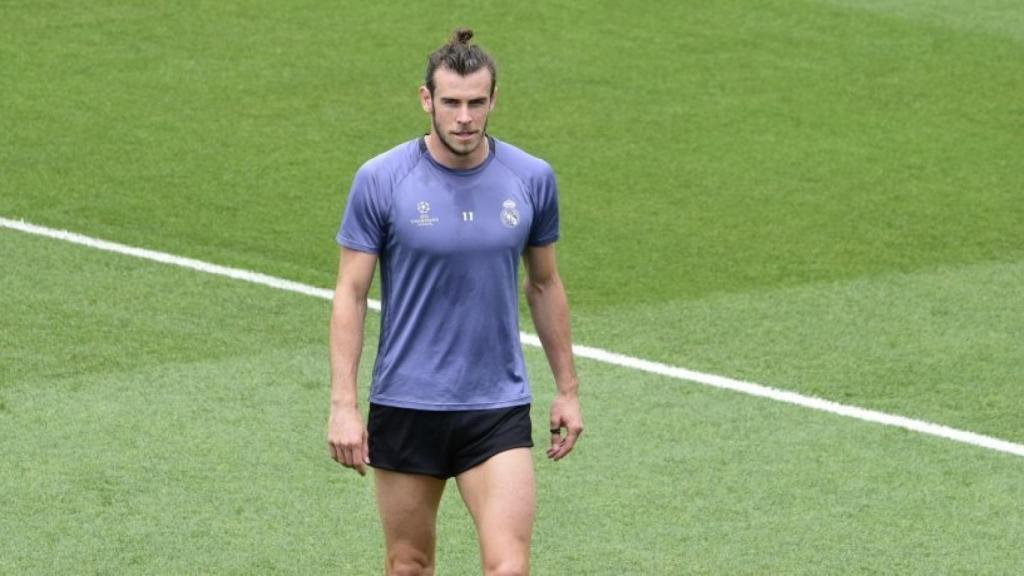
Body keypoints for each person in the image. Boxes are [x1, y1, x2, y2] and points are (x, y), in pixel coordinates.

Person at [327, 27, 582, 576]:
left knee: (508, 567)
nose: (464, 117)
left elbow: (544, 284)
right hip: (407, 401)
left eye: (475, 103)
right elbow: (350, 292)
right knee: (409, 564)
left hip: (495, 405)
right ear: (427, 100)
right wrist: (343, 405)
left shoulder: (531, 178)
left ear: (493, 100)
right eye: (451, 103)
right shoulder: (381, 179)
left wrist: (567, 389)